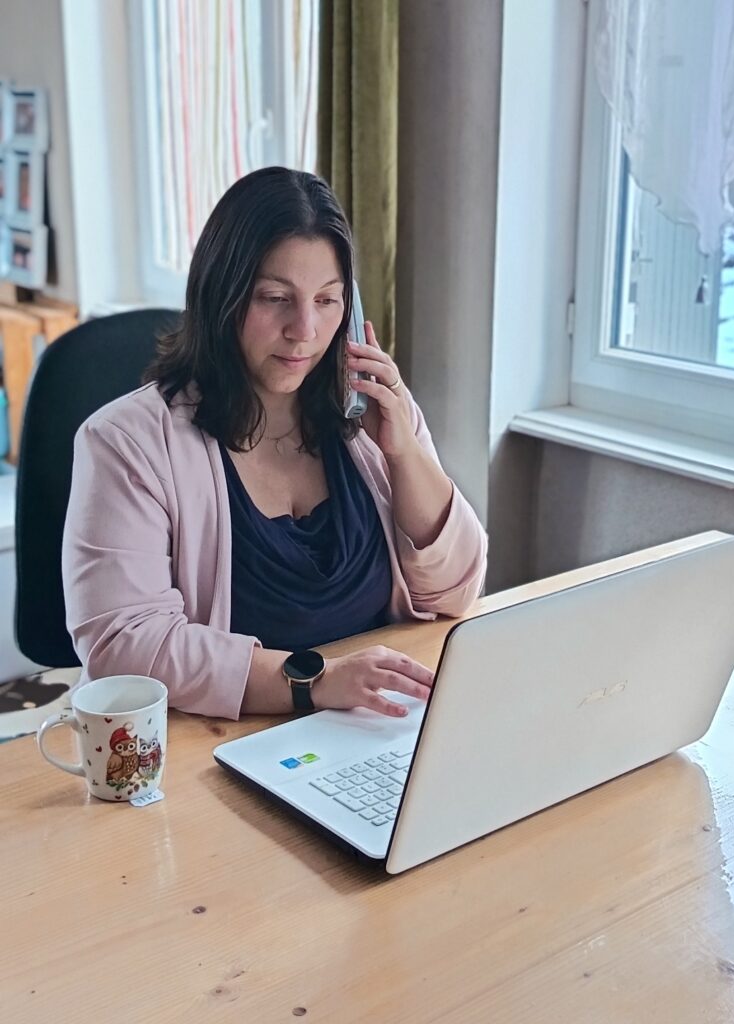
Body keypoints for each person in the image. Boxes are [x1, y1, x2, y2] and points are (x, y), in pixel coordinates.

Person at [63, 167, 487, 721]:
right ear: (222, 296)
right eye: (274, 298)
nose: (305, 329)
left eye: (328, 300)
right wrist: (316, 681)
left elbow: (456, 594)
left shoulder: (370, 418)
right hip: (217, 746)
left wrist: (404, 454)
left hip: (374, 725)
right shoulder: (126, 443)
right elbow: (125, 643)